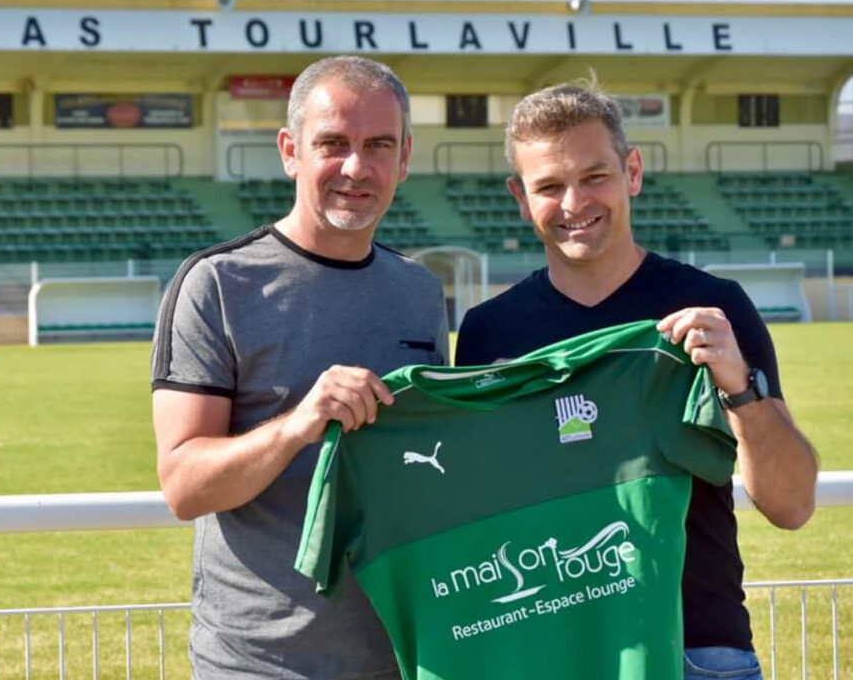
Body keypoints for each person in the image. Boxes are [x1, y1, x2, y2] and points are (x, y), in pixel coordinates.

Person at [455, 83, 818, 680]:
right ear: (520, 197)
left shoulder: (713, 309)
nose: (574, 202)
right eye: (549, 185)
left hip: (698, 651)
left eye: (594, 176)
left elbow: (793, 505)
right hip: (551, 650)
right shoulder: (489, 335)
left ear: (633, 172)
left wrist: (740, 391)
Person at [151, 55, 448, 680]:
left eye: (379, 145)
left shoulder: (419, 291)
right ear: (290, 150)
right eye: (332, 144)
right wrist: (298, 424)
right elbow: (183, 485)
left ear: (405, 158)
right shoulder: (218, 284)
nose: (356, 167)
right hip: (262, 663)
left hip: (402, 655)